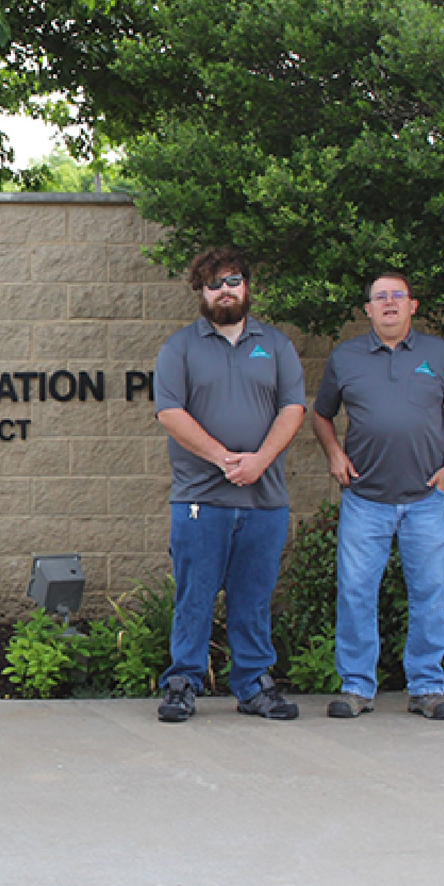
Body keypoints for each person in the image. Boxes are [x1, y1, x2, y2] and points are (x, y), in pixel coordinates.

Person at [310, 274, 444, 721]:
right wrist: (334, 454)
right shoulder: (346, 358)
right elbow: (321, 415)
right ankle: (357, 686)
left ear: (412, 306)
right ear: (367, 309)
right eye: (379, 297)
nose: (388, 304)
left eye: (396, 296)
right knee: (357, 592)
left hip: (425, 499)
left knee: (430, 592)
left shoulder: (438, 355)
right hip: (365, 498)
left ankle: (426, 687)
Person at [152, 248, 306, 722]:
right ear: (202, 292)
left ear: (247, 287)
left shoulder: (276, 346)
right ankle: (182, 683)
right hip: (201, 498)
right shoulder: (179, 347)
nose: (225, 291)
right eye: (214, 284)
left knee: (253, 597)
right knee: (194, 594)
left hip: (264, 498)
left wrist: (259, 461)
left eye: (233, 281)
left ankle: (254, 685)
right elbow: (170, 412)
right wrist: (223, 459)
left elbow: (292, 409)